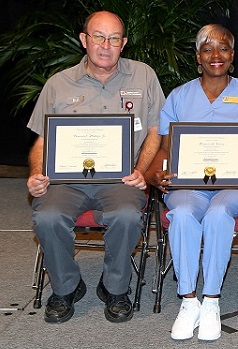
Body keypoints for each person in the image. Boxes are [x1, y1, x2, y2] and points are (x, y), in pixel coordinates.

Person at [25, 11, 165, 324]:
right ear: (84, 40)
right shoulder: (58, 84)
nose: (105, 45)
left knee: (127, 215)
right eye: (98, 37)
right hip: (65, 181)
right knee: (47, 216)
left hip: (121, 179)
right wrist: (36, 173)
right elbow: (41, 142)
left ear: (124, 43)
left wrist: (142, 170)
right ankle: (67, 287)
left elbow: (156, 131)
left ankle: (115, 288)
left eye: (114, 38)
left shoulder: (144, 76)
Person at [144, 24, 238, 342]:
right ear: (197, 56)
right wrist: (157, 173)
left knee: (218, 214)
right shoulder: (179, 96)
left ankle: (211, 300)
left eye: (223, 48)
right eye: (208, 48)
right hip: (188, 185)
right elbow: (164, 147)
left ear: (233, 55)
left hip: (237, 187)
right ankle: (188, 301)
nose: (216, 55)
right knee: (184, 213)